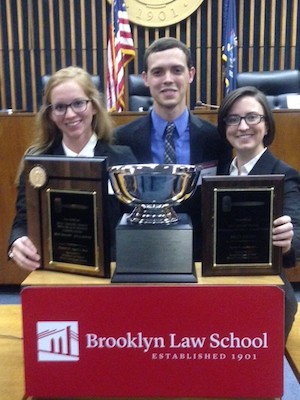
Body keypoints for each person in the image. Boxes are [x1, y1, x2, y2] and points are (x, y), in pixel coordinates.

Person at [114, 37, 232, 260]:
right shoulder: (121, 139)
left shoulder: (216, 139)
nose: (168, 79)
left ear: (191, 74)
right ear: (145, 78)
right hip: (139, 252)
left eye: (176, 70)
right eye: (158, 72)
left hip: (199, 255)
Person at [8, 66, 136, 271]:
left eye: (78, 103)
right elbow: (23, 219)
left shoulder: (122, 158)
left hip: (112, 273)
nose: (70, 114)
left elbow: (134, 223)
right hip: (55, 273)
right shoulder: (37, 163)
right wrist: (17, 241)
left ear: (93, 106)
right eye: (59, 107)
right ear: (50, 113)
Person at [217, 85, 300, 340]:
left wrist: (287, 242)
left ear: (267, 124)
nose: (242, 126)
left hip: (267, 296)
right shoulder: (221, 173)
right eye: (233, 119)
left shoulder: (283, 174)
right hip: (221, 290)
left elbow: (296, 233)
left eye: (252, 117)